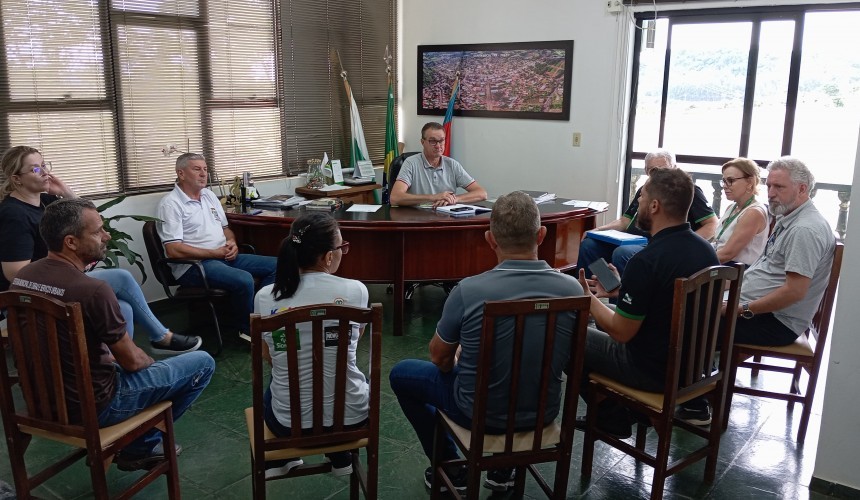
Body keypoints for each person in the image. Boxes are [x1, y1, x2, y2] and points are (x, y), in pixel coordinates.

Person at [389, 191, 584, 494]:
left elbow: (439, 359)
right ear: (541, 235)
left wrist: (461, 357)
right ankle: (504, 469)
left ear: (490, 239)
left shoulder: (469, 290)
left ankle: (453, 469)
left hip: (477, 413)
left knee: (401, 374)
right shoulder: (573, 290)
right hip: (542, 412)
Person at [10, 198, 215, 470]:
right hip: (97, 406)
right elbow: (132, 362)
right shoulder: (92, 291)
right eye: (97, 231)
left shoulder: (22, 278)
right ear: (70, 242)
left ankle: (138, 442)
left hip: (40, 402)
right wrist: (147, 364)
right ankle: (138, 446)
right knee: (201, 363)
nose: (106, 236)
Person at [679, 157, 836, 426]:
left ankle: (697, 405)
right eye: (769, 185)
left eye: (780, 187)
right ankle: (701, 381)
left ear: (802, 189)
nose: (771, 193)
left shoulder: (804, 230)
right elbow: (767, 273)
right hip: (759, 306)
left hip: (777, 322)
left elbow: (794, 292)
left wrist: (740, 309)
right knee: (690, 306)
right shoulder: (791, 218)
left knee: (689, 323)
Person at [0, 145, 201, 354]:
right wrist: (67, 273)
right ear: (16, 179)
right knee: (122, 278)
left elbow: (91, 221)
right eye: (35, 169)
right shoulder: (14, 215)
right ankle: (160, 337)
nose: (45, 172)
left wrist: (66, 192)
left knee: (123, 309)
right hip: (33, 295)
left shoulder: (47, 202)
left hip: (63, 279)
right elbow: (15, 273)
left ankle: (116, 368)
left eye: (44, 165)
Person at [574, 168, 720, 438]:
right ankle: (630, 412)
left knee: (570, 334)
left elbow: (621, 332)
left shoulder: (646, 260)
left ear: (655, 206)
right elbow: (665, 301)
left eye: (640, 198)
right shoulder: (706, 250)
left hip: (652, 371)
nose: (637, 202)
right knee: (607, 316)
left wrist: (589, 299)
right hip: (694, 368)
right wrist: (622, 291)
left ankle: (610, 418)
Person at [253, 212, 369, 478]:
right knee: (336, 367)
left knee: (279, 378)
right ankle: (341, 456)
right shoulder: (356, 291)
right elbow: (352, 342)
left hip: (287, 423)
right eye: (343, 247)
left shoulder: (264, 297)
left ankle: (282, 459)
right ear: (329, 257)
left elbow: (269, 356)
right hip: (351, 419)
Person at [157, 153, 277, 340]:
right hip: (194, 265)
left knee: (280, 265)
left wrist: (232, 243)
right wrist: (214, 252)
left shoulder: (209, 196)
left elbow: (226, 229)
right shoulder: (170, 204)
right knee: (244, 279)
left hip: (223, 256)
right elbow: (173, 249)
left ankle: (263, 317)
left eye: (205, 169)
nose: (203, 174)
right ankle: (248, 330)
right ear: (181, 173)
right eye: (197, 169)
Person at [576, 149, 717, 276]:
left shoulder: (683, 191)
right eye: (652, 171)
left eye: (663, 170)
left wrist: (685, 244)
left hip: (656, 244)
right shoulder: (645, 189)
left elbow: (712, 224)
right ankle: (600, 290)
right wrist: (598, 230)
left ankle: (621, 298)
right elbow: (625, 221)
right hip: (629, 240)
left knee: (623, 253)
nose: (658, 175)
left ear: (674, 168)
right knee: (589, 245)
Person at [389, 122, 487, 207]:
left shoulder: (452, 164)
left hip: (445, 219)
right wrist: (433, 197)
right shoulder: (411, 163)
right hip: (418, 219)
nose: (438, 146)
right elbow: (395, 197)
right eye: (433, 141)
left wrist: (454, 199)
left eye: (441, 140)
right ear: (422, 142)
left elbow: (482, 193)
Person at [713, 158, 768, 265]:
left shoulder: (754, 213)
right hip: (720, 267)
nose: (724, 185)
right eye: (724, 181)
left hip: (735, 275)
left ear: (750, 182)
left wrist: (697, 259)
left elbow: (727, 254)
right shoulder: (731, 207)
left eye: (731, 181)